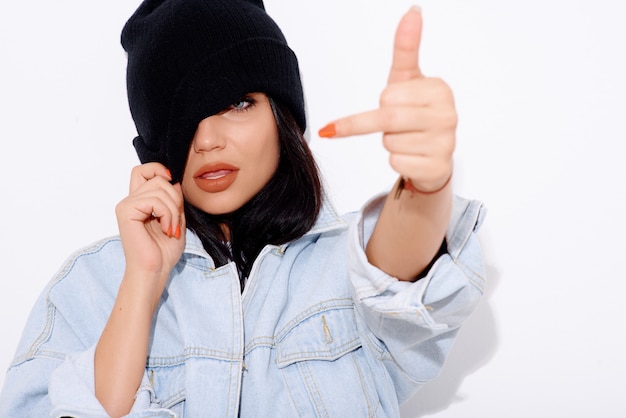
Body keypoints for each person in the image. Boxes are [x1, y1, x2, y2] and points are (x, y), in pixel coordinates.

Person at [0, 0, 486, 416]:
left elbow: (399, 274)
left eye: (236, 103)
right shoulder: (90, 288)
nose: (208, 140)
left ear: (282, 115)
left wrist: (426, 183)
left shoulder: (345, 267)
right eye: (183, 116)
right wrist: (142, 282)